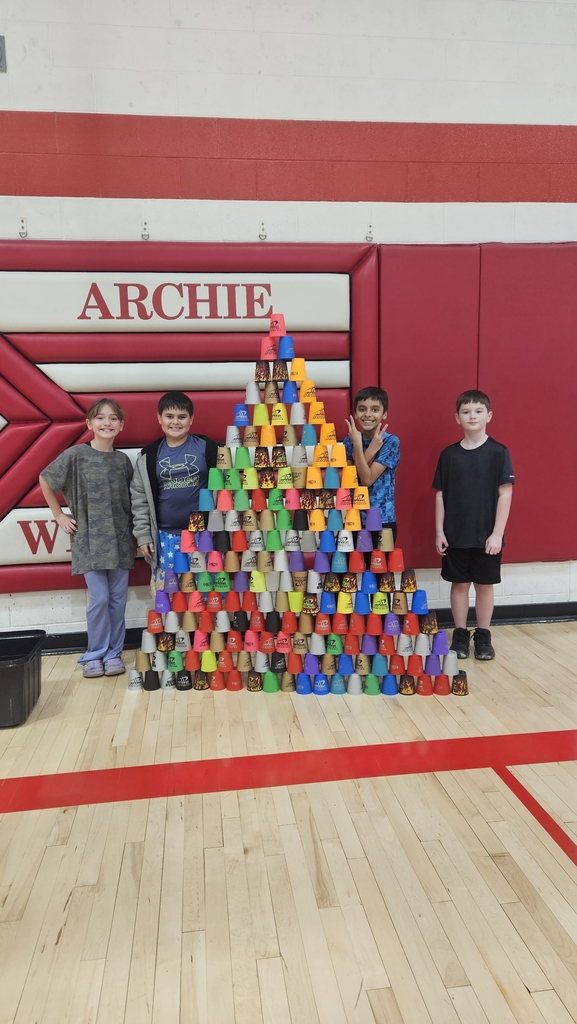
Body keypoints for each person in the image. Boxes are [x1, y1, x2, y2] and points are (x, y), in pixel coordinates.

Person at [39, 399, 134, 678]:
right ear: (89, 423)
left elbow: (131, 500)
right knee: (100, 599)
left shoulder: (122, 461)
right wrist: (58, 515)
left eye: (113, 418)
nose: (107, 423)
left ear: (121, 425)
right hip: (89, 541)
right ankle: (95, 654)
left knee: (118, 600)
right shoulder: (76, 455)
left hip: (120, 541)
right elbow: (46, 479)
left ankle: (114, 654)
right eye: (100, 418)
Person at [433, 389, 514, 660]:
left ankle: (483, 636)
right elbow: (441, 495)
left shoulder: (498, 452)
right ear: (457, 417)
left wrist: (497, 534)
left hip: (486, 536)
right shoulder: (449, 455)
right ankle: (459, 634)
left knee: (484, 586)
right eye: (466, 412)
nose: (472, 416)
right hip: (455, 534)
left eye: (478, 411)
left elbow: (505, 493)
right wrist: (439, 531)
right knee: (458, 585)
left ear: (488, 415)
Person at [130, 391, 218, 579]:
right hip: (165, 538)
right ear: (159, 418)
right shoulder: (148, 456)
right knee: (169, 597)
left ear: (191, 419)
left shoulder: (208, 447)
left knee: (203, 596)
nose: (175, 422)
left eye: (182, 417)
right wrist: (144, 535)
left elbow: (226, 489)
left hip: (203, 535)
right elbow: (139, 500)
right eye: (169, 416)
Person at [344, 386, 400, 541]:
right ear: (355, 413)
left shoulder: (390, 442)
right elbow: (352, 479)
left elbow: (367, 480)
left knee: (378, 565)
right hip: (354, 518)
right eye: (362, 409)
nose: (367, 414)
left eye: (375, 410)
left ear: (384, 414)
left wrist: (364, 449)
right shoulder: (351, 441)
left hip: (382, 519)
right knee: (351, 565)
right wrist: (367, 449)